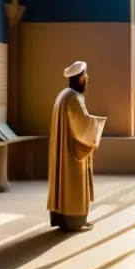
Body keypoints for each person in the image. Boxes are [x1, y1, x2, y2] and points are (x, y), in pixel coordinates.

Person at [47, 61, 107, 232]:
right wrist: (98, 123)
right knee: (73, 182)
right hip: (71, 152)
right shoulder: (73, 98)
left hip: (63, 148)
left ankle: (63, 219)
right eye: (85, 75)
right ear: (80, 78)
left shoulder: (63, 95)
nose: (87, 78)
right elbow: (82, 125)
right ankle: (74, 221)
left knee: (63, 183)